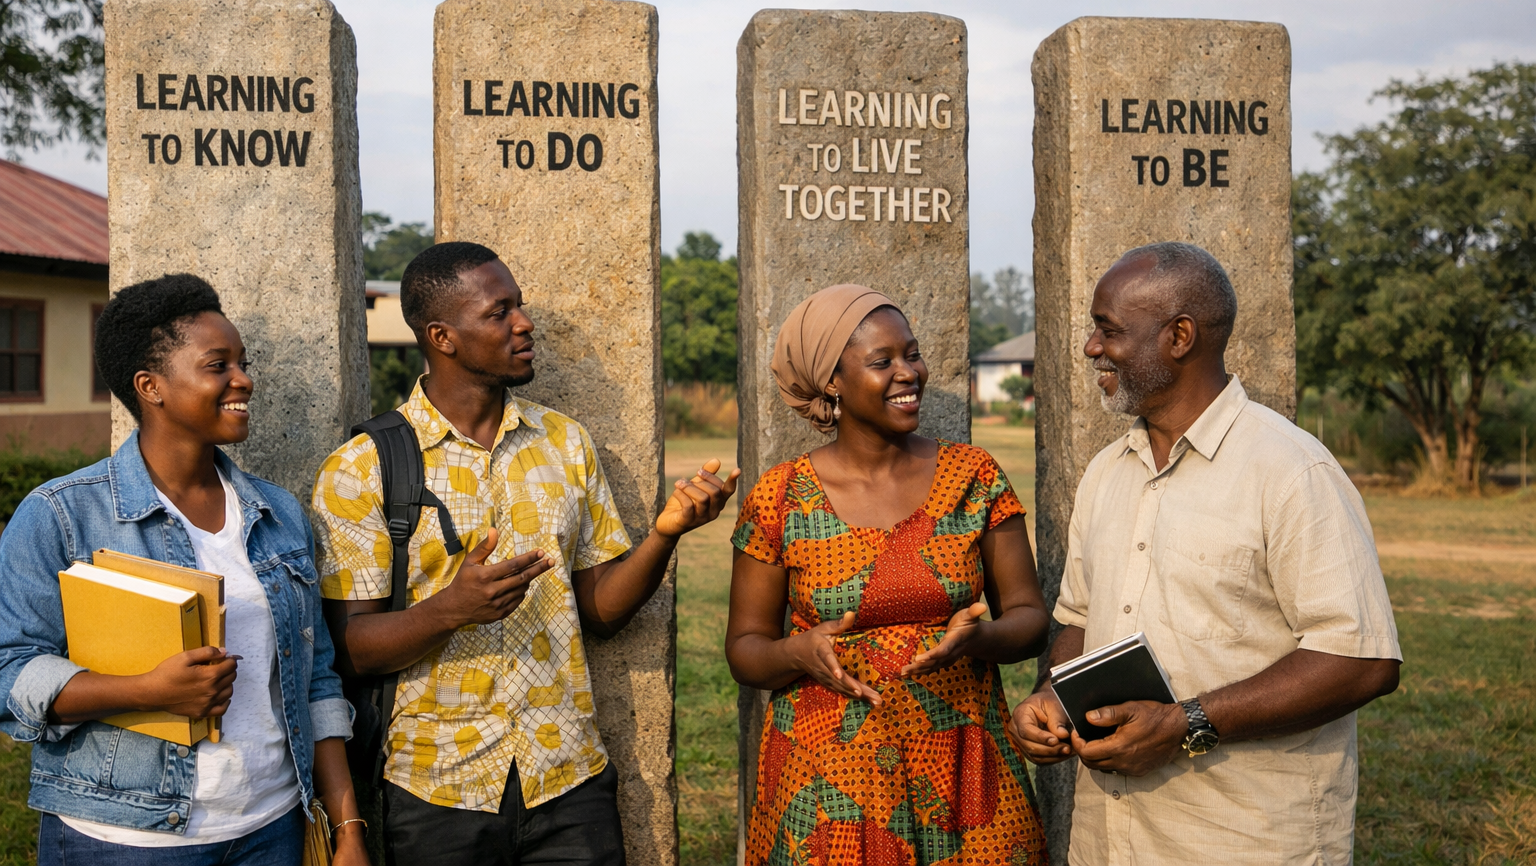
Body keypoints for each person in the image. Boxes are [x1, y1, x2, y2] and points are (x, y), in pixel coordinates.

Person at [311, 241, 739, 866]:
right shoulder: (363, 468)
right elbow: (351, 648)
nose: (524, 323)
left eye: (520, 306)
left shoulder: (565, 443)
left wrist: (665, 534)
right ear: (443, 336)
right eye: (499, 311)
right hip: (438, 791)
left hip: (570, 782)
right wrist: (449, 609)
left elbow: (600, 610)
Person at [1012, 242, 1402, 864]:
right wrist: (1056, 698)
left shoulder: (1291, 471)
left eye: (1108, 330)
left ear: (1180, 336)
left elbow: (1362, 660)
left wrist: (1185, 725)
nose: (1091, 347)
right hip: (1111, 841)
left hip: (1245, 838)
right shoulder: (1107, 473)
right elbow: (1079, 620)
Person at [0, 273, 365, 865]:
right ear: (152, 387)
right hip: (127, 839)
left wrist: (347, 827)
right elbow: (9, 672)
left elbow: (316, 681)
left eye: (242, 363)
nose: (243, 380)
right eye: (218, 365)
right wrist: (146, 692)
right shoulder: (62, 515)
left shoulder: (279, 514)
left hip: (271, 827)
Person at [726, 284, 1052, 866]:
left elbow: (1028, 618)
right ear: (833, 382)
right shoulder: (780, 497)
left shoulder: (973, 477)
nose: (909, 373)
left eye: (912, 353)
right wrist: (798, 652)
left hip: (964, 766)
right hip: (831, 784)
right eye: (883, 362)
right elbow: (745, 650)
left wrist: (980, 639)